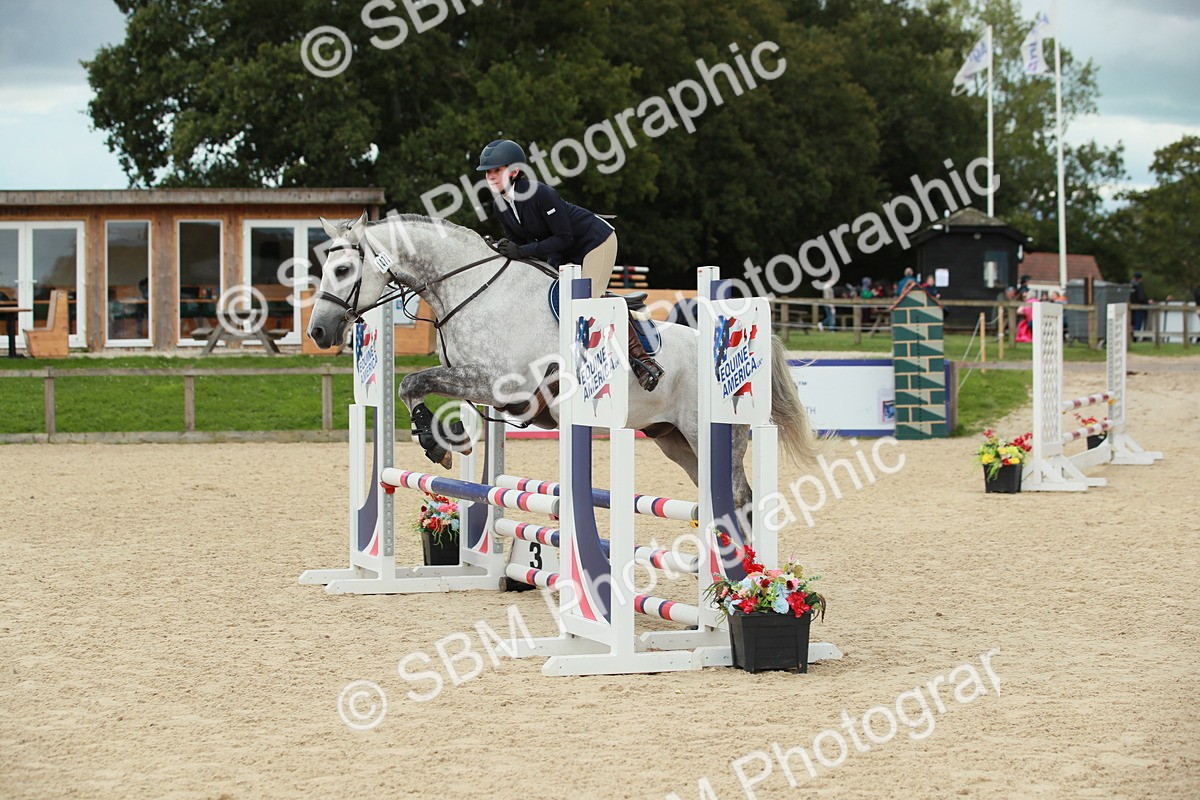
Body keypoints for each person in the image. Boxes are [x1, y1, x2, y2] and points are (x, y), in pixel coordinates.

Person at [476, 138, 663, 390]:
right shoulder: (500, 205)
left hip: (595, 242)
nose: (491, 176)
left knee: (589, 303)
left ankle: (643, 361)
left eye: (496, 170)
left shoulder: (541, 194)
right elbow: (520, 245)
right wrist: (506, 250)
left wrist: (520, 250)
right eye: (488, 172)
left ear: (515, 170)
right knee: (550, 300)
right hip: (562, 253)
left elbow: (564, 237)